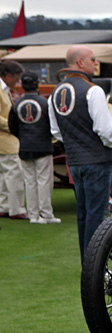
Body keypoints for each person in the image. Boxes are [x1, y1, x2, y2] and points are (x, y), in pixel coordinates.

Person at [49, 46, 112, 260]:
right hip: (96, 159)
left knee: (84, 215)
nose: (96, 63)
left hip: (75, 161)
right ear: (80, 62)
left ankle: (87, 263)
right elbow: (105, 130)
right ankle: (96, 267)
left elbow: (55, 131)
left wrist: (75, 143)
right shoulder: (93, 90)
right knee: (97, 216)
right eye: (93, 59)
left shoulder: (56, 92)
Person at [9, 71, 59, 224]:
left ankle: (33, 215)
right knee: (44, 181)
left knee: (29, 182)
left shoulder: (17, 104)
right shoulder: (45, 103)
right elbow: (52, 125)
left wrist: (23, 138)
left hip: (25, 147)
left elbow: (12, 126)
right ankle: (46, 214)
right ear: (37, 84)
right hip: (43, 146)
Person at [0, 59, 26, 220]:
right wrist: (13, 126)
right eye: (16, 77)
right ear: (8, 75)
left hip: (4, 140)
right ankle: (16, 209)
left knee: (3, 176)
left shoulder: (5, 89)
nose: (18, 80)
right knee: (15, 175)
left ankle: (4, 207)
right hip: (7, 140)